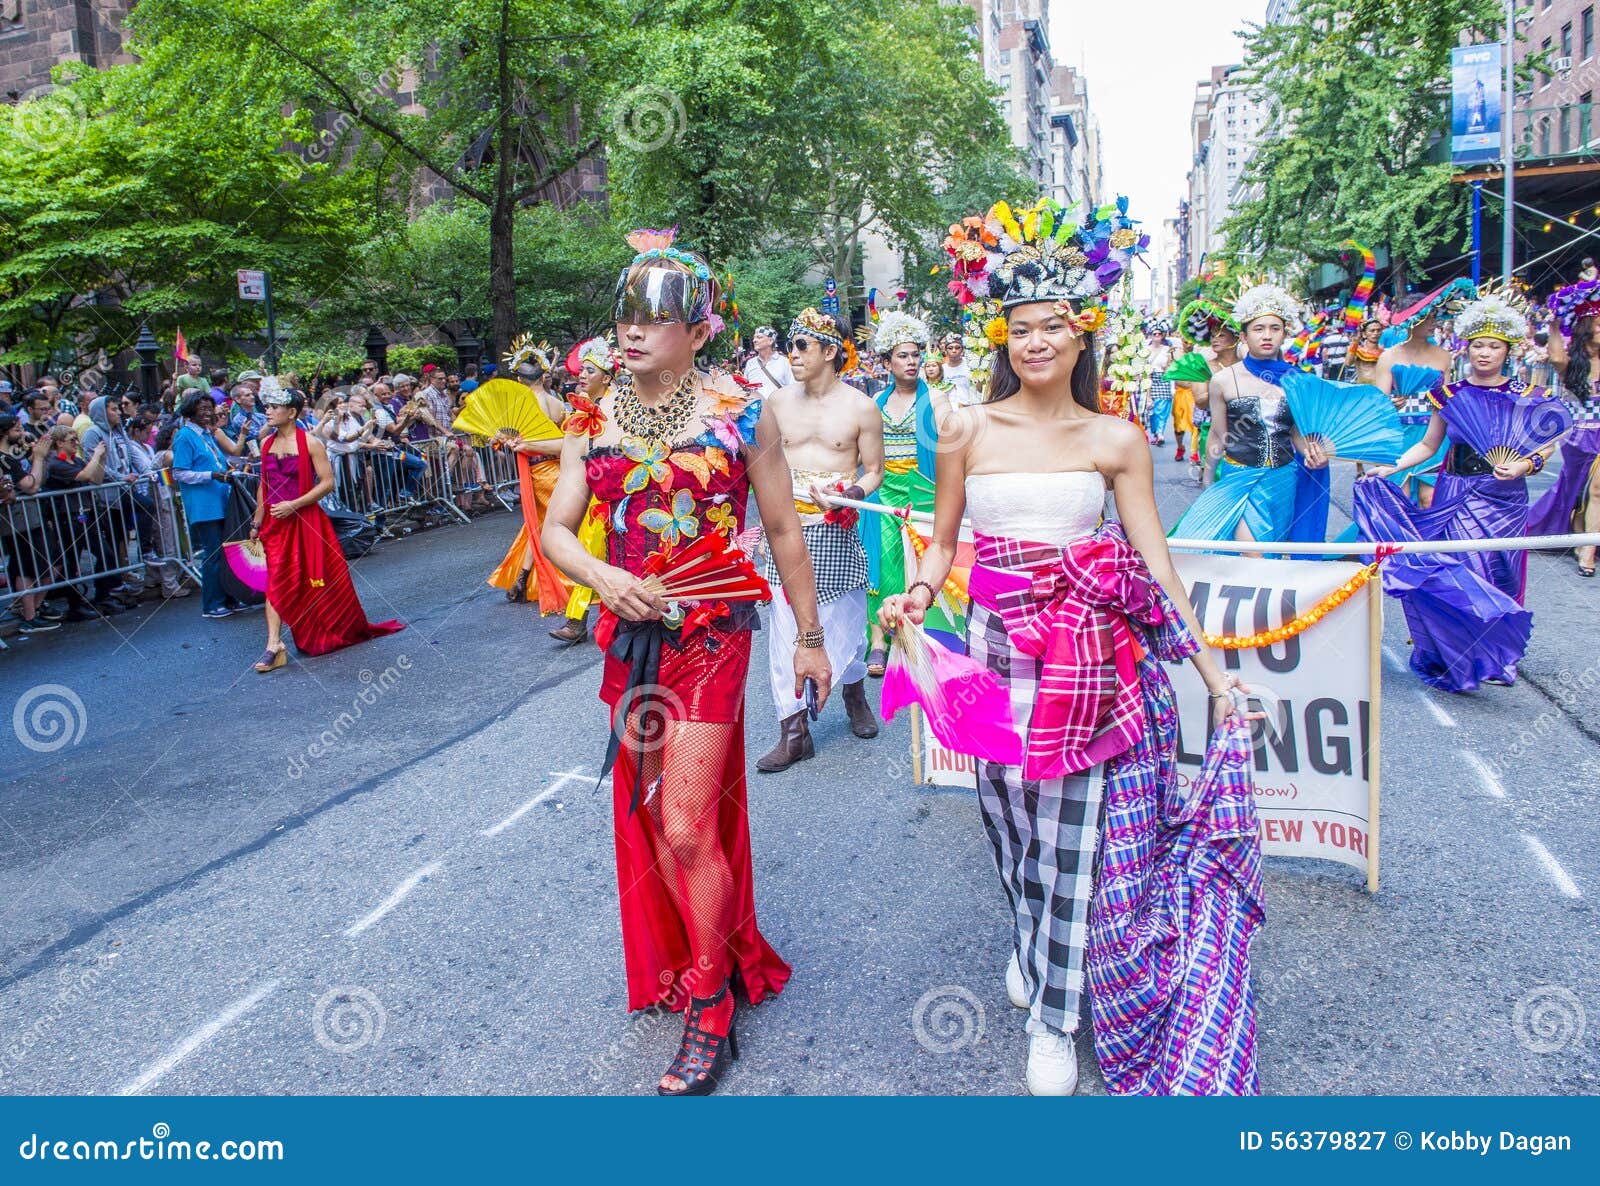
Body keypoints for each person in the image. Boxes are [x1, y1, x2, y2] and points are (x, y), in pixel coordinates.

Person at [879, 196, 1252, 1096]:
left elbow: (1154, 561)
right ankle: (1029, 933)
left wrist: (1211, 671)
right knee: (1013, 831)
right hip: (994, 653)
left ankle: (1056, 1016)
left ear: (1083, 338)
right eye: (1019, 329)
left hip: (1090, 662)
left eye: (1052, 327)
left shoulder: (1118, 439)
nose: (1034, 342)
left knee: (1078, 837)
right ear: (1001, 341)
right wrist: (917, 595)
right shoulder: (966, 427)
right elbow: (940, 539)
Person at [540, 228, 831, 1097]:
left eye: (656, 318)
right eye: (625, 314)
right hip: (631, 641)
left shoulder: (743, 412)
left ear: (701, 330)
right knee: (650, 811)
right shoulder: (594, 415)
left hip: (712, 635)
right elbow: (557, 529)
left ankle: (711, 1006)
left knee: (684, 822)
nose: (633, 331)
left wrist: (810, 638)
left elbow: (782, 530)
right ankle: (704, 949)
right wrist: (602, 575)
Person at [1357, 290, 1569, 692]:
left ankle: (1497, 657)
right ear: (1466, 348)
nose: (1484, 353)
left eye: (1493, 346)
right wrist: (1391, 466)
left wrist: (1525, 464)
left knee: (1499, 576)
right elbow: (1428, 446)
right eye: (1477, 346)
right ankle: (1457, 652)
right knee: (1457, 572)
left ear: (1507, 350)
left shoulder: (1526, 398)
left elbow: (1546, 443)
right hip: (1454, 494)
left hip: (1505, 500)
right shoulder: (1449, 395)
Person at [756, 306, 885, 771]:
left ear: (830, 351)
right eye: (791, 344)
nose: (791, 354)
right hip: (785, 530)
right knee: (785, 632)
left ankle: (853, 692)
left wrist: (850, 493)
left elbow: (874, 471)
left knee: (846, 631)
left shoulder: (861, 407)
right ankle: (794, 732)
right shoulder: (775, 404)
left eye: (801, 345)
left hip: (835, 530)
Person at [248, 382, 403, 671]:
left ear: (291, 412)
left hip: (305, 520)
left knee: (312, 579)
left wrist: (295, 504)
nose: (267, 411)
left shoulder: (310, 442)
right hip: (274, 523)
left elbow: (327, 482)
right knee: (276, 579)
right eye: (266, 407)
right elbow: (263, 486)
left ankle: (323, 626)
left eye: (274, 407)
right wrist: (257, 521)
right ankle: (273, 644)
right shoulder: (267, 443)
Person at [1170, 284, 1331, 553]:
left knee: (1272, 555)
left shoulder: (1298, 381)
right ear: (1244, 336)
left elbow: (1295, 434)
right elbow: (1219, 434)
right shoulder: (1223, 380)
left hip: (1283, 478)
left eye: (1274, 328)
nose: (1267, 335)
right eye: (1259, 329)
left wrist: (1315, 455)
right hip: (1238, 478)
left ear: (1284, 333)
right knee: (1252, 554)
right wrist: (1209, 481)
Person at [859, 311, 952, 676]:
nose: (912, 362)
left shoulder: (938, 399)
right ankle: (879, 640)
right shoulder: (875, 402)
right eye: (903, 355)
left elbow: (949, 435)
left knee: (923, 565)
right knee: (881, 565)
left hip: (922, 491)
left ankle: (913, 636)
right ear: (886, 362)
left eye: (916, 354)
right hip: (881, 493)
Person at [484, 338, 572, 610]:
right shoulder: (556, 403)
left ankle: (526, 576)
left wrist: (499, 438)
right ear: (544, 376)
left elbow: (496, 439)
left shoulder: (519, 408)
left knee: (542, 525)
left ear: (519, 380)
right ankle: (531, 576)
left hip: (536, 472)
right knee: (544, 524)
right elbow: (568, 437)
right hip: (556, 468)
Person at [1373, 280, 1476, 509]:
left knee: (1430, 498)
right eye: (1428, 317)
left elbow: (1447, 397)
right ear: (1413, 320)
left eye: (1435, 317)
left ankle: (1428, 544)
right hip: (1400, 431)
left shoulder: (1443, 357)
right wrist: (1391, 403)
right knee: (1398, 498)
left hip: (1435, 431)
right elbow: (1379, 401)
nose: (1434, 323)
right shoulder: (1388, 357)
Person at [548, 336, 619, 644]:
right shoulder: (583, 411)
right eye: (582, 370)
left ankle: (586, 620)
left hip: (615, 496)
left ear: (607, 376)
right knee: (592, 553)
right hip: (588, 496)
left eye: (591, 371)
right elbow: (569, 447)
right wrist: (524, 444)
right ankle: (579, 620)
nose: (582, 375)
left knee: (609, 555)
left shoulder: (621, 409)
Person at [1530, 280, 1600, 575]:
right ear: (1586, 329)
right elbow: (1556, 356)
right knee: (1578, 488)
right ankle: (1579, 528)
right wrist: (1557, 321)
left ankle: (1588, 549)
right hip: (1581, 437)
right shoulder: (1571, 364)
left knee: (1597, 488)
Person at [171, 394, 240, 618]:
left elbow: (219, 461)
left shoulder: (207, 435)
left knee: (226, 553)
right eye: (202, 409)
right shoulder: (185, 436)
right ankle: (212, 603)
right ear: (190, 411)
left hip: (219, 501)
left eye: (210, 408)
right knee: (213, 554)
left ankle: (229, 597)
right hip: (203, 505)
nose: (208, 413)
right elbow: (179, 472)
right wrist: (211, 475)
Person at [740, 326, 794, 397]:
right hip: (756, 406)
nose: (754, 340)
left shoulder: (784, 362)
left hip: (778, 406)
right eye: (754, 337)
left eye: (759, 337)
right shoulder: (750, 363)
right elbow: (746, 387)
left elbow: (793, 388)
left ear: (771, 341)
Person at [939, 331, 977, 406]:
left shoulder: (971, 365)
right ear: (945, 351)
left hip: (969, 407)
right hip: (949, 409)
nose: (954, 350)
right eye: (950, 348)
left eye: (957, 348)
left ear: (962, 350)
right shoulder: (942, 369)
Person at [1344, 317, 1383, 383]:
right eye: (1372, 330)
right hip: (1363, 388)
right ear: (1364, 334)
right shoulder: (1359, 351)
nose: (1376, 333)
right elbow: (1348, 363)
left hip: (1381, 388)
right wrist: (1355, 343)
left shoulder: (1384, 352)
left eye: (1378, 330)